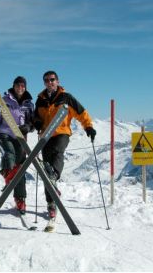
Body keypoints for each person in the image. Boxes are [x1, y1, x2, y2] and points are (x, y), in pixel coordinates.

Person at [34, 70, 96, 218]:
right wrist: (36, 123)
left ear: (58, 81)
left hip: (62, 132)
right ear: (44, 82)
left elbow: (81, 112)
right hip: (45, 136)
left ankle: (54, 174)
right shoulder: (40, 99)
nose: (50, 82)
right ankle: (51, 203)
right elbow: (37, 117)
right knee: (45, 172)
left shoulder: (66, 97)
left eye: (52, 79)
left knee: (57, 153)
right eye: (47, 80)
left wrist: (88, 126)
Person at [0, 76, 34, 214]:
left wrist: (28, 127)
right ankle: (7, 173)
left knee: (20, 170)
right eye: (18, 85)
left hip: (20, 139)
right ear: (13, 86)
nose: (20, 88)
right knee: (9, 153)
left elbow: (33, 122)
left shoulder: (29, 104)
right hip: (4, 134)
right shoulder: (4, 101)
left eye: (23, 86)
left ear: (25, 87)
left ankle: (20, 199)